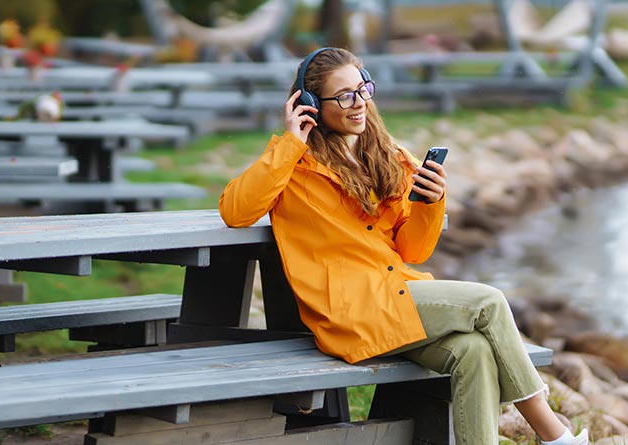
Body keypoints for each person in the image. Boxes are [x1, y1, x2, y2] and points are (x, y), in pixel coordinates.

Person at [218, 47, 589, 445]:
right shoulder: (293, 167)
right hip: (350, 311)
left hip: (395, 294)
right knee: (489, 302)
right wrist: (290, 143)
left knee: (474, 353)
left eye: (363, 90)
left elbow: (412, 251)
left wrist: (430, 202)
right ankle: (555, 435)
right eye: (344, 96)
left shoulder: (387, 156)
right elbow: (235, 211)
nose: (359, 103)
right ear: (309, 105)